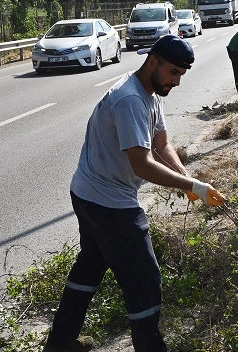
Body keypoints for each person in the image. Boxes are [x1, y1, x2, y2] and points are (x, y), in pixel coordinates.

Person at [43, 35, 225, 352]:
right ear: (152, 61)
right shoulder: (130, 100)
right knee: (144, 279)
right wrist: (192, 186)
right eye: (174, 72)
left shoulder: (150, 93)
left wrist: (186, 177)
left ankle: (60, 343)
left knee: (90, 265)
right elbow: (142, 164)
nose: (177, 81)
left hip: (87, 192)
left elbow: (162, 144)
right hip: (107, 202)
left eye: (182, 74)